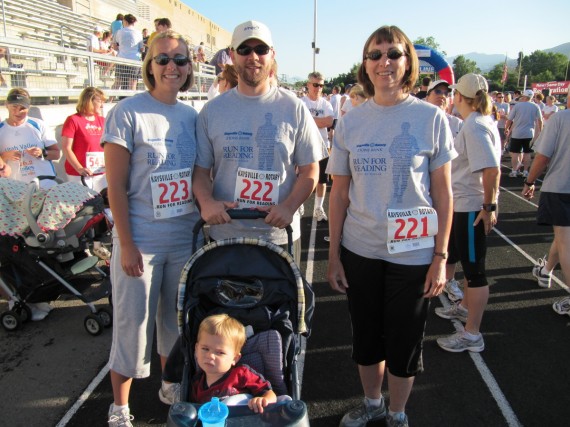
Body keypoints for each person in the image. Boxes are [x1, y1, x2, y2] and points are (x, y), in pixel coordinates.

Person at [326, 25, 455, 427]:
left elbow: (444, 195)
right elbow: (339, 195)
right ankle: (372, 404)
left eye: (394, 54)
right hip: (360, 248)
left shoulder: (431, 118)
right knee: (366, 337)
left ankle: (397, 413)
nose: (385, 62)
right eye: (375, 54)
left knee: (404, 338)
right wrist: (333, 256)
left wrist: (440, 257)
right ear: (365, 64)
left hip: (414, 253)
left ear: (408, 62)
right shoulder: (350, 122)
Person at [102, 30, 200, 427]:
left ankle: (170, 386)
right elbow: (116, 189)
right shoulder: (127, 113)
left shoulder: (193, 116)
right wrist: (126, 245)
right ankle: (120, 408)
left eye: (179, 59)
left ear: (190, 67)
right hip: (140, 241)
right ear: (149, 66)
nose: (171, 67)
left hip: (183, 239)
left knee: (174, 326)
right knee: (132, 327)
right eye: (163, 59)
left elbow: (200, 177)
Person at [435, 73, 501, 355]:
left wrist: (488, 207)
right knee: (463, 260)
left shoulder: (474, 126)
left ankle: (472, 334)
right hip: (466, 205)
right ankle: (463, 308)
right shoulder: (478, 122)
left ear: (460, 97)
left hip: (472, 207)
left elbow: (492, 169)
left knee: (475, 273)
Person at [523, 88, 570, 315]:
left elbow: (543, 156)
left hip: (561, 187)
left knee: (565, 242)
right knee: (563, 237)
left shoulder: (561, 118)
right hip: (562, 188)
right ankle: (546, 271)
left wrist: (530, 181)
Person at [424, 79, 465, 303]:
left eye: (446, 93)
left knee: (450, 243)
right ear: (427, 95)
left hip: (452, 191)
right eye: (437, 91)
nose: (442, 95)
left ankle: (449, 280)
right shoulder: (420, 119)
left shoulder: (457, 124)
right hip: (424, 195)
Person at [191, 314, 277, 413]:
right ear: (196, 349)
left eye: (220, 352)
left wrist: (263, 400)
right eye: (205, 349)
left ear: (235, 358)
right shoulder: (197, 383)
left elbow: (270, 394)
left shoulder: (241, 374)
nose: (210, 355)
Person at [0, 88, 60, 189]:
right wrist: (4, 156)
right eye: (14, 107)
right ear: (7, 105)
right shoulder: (1, 129)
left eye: (22, 108)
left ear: (29, 107)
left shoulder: (39, 125)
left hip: (43, 183)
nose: (18, 112)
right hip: (14, 187)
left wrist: (42, 153)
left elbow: (56, 154)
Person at [301, 71, 334, 223]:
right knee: (302, 177)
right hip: (305, 145)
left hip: (322, 145)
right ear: (308, 85)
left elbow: (329, 122)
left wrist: (309, 119)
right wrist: (318, 121)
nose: (318, 88)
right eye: (315, 85)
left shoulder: (326, 104)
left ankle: (318, 208)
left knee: (322, 180)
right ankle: (300, 204)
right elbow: (301, 122)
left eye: (321, 85)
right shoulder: (301, 103)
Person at [61, 87, 107, 191]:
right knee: (83, 205)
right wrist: (79, 168)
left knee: (103, 205)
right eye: (99, 101)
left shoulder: (103, 121)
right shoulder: (73, 120)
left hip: (100, 173)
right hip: (79, 174)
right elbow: (66, 147)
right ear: (89, 101)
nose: (102, 105)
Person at [505, 89, 543, 178]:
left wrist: (507, 128)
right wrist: (540, 131)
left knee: (515, 153)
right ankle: (525, 171)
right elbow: (540, 120)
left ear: (524, 96)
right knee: (527, 153)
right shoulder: (535, 106)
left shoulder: (518, 106)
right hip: (529, 133)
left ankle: (514, 170)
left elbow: (510, 119)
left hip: (517, 133)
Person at [112, 14, 143, 91]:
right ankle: (132, 102)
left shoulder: (118, 32)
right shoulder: (138, 33)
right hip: (134, 60)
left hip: (121, 59)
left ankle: (110, 100)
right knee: (132, 83)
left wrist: (122, 48)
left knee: (117, 82)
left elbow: (115, 47)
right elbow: (142, 49)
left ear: (125, 21)